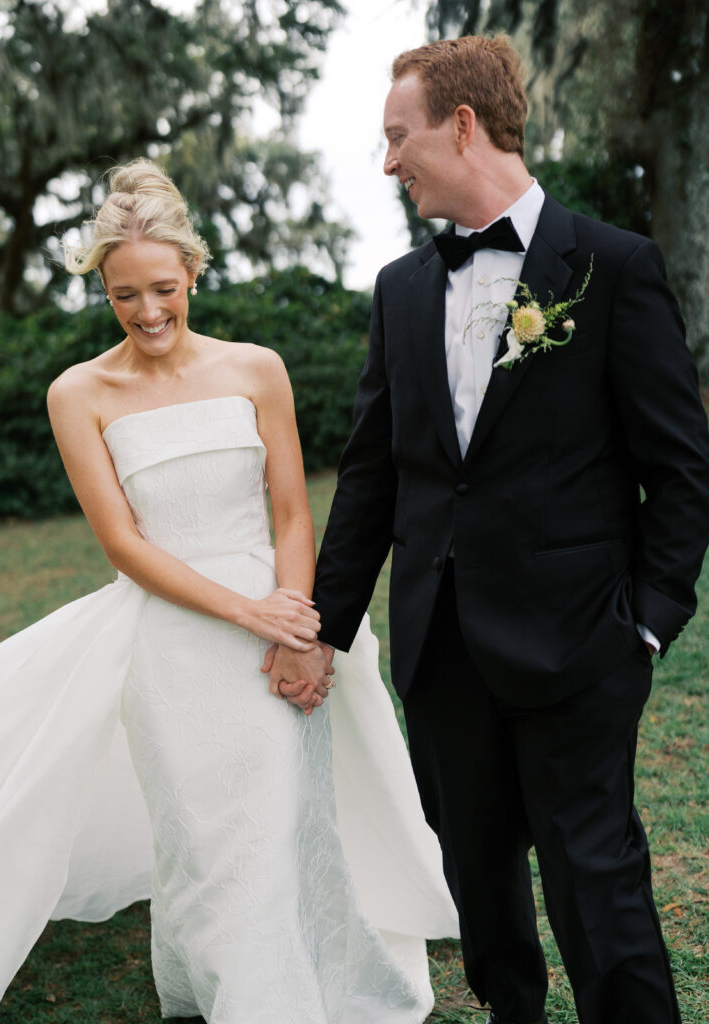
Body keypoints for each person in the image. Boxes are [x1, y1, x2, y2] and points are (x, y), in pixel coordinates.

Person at [0, 159, 459, 1024]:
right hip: (173, 639)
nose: (148, 312)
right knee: (204, 834)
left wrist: (297, 626)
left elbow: (295, 512)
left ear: (194, 270)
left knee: (279, 821)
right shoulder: (77, 394)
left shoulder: (256, 368)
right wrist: (244, 610)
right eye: (124, 296)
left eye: (163, 288)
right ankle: (231, 991)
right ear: (102, 291)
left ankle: (289, 991)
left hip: (281, 621)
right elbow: (123, 544)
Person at [266, 35, 709, 1024]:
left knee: (598, 884)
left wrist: (648, 621)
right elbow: (376, 473)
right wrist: (323, 628)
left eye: (397, 138)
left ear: (461, 126)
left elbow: (679, 468)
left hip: (580, 643)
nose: (387, 164)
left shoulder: (611, 265)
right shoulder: (401, 292)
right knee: (482, 892)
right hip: (441, 646)